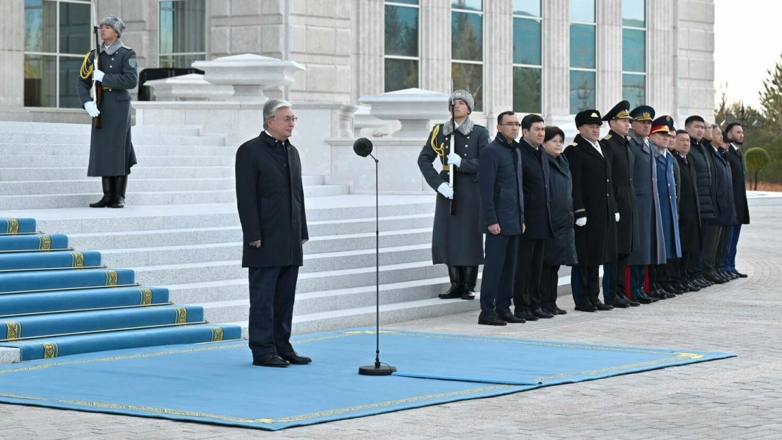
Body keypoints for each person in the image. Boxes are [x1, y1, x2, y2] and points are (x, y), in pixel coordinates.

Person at [235, 99, 310, 368]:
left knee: (285, 296)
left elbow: (297, 194)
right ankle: (263, 349)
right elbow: (246, 197)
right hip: (264, 238)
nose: (292, 124)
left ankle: (282, 345)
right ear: (270, 122)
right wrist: (252, 234)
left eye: (293, 119)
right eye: (287, 119)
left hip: (290, 237)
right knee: (263, 297)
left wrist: (302, 229)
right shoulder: (250, 151)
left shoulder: (293, 152)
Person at [418, 90, 490, 301]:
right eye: (453, 103)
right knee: (448, 236)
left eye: (461, 103)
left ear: (469, 108)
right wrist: (438, 184)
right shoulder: (440, 131)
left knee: (469, 236)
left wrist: (463, 163)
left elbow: (486, 163)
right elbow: (424, 159)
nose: (456, 105)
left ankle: (468, 285)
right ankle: (455, 284)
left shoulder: (479, 132)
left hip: (470, 190)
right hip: (448, 189)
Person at [76, 15, 138, 209]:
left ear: (116, 32)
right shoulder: (94, 55)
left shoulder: (127, 54)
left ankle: (119, 195)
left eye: (107, 27)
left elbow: (131, 81)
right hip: (100, 105)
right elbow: (81, 81)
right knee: (103, 149)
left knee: (119, 149)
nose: (102, 30)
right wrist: (86, 102)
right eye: (101, 27)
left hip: (119, 106)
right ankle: (107, 195)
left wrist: (105, 77)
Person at [564, 109, 618, 312]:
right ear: (580, 128)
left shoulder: (602, 148)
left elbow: (608, 182)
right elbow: (575, 184)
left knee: (597, 256)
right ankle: (582, 299)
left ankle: (594, 296)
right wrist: (579, 211)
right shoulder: (575, 150)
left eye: (598, 126)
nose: (596, 130)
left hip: (601, 212)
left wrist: (612, 207)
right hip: (586, 213)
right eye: (591, 126)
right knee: (584, 257)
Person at [478, 111, 526, 325]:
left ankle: (504, 308)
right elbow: (486, 190)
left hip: (514, 220)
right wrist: (491, 220)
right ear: (499, 127)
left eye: (517, 124)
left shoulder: (515, 150)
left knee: (510, 269)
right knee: (494, 268)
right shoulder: (492, 151)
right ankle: (487, 312)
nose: (515, 128)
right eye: (510, 124)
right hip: (498, 221)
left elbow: (518, 188)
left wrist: (521, 218)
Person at [514, 114, 555, 321]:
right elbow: (518, 189)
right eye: (537, 129)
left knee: (537, 265)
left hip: (542, 218)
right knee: (523, 265)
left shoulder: (541, 153)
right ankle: (521, 306)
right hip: (526, 220)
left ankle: (534, 303)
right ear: (525, 132)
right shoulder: (519, 153)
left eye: (543, 129)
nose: (541, 133)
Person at [599, 100, 640, 309]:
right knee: (614, 252)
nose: (628, 124)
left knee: (626, 249)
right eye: (623, 120)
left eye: (628, 121)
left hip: (628, 198)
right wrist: (613, 205)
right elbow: (609, 179)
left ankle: (621, 291)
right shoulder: (607, 144)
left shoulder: (626, 143)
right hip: (616, 198)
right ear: (612, 122)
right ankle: (611, 293)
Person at [627, 106, 665, 304]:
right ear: (632, 124)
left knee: (647, 246)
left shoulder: (648, 144)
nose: (646, 126)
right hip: (637, 201)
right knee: (638, 248)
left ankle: (641, 287)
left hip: (649, 202)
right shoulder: (630, 143)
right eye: (643, 123)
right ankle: (633, 288)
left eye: (649, 123)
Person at [540, 126, 577, 316]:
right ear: (544, 143)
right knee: (544, 265)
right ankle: (542, 302)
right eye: (554, 140)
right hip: (548, 220)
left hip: (562, 220)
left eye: (561, 141)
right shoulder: (543, 161)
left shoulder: (562, 161)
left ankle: (550, 301)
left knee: (554, 265)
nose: (558, 144)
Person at [649, 117, 681, 298]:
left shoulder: (668, 157)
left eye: (668, 135)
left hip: (668, 209)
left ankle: (664, 281)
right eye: (662, 134)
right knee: (658, 248)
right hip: (657, 209)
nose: (667, 138)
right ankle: (656, 282)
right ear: (652, 136)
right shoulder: (653, 154)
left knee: (668, 247)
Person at [686, 116, 719, 287]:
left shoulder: (701, 148)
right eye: (696, 127)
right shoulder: (690, 148)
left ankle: (698, 273)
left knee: (703, 243)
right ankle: (692, 275)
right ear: (687, 127)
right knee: (694, 245)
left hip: (706, 205)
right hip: (696, 205)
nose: (700, 130)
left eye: (702, 127)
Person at [671, 130, 703, 293]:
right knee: (680, 249)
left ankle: (685, 278)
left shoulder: (688, 160)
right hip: (681, 212)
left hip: (692, 212)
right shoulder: (674, 160)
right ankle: (677, 280)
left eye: (688, 141)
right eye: (682, 140)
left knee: (689, 248)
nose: (686, 143)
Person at [710, 130, 738, 282]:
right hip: (716, 207)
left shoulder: (722, 156)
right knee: (711, 244)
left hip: (727, 207)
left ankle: (720, 267)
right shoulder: (713, 155)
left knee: (722, 242)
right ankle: (711, 269)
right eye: (719, 135)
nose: (723, 139)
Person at [723, 123, 750, 278]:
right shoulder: (728, 153)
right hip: (730, 204)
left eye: (742, 132)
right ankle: (725, 266)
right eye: (738, 132)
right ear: (729, 134)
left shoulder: (738, 153)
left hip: (739, 204)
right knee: (728, 238)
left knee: (734, 238)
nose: (741, 135)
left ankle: (731, 265)